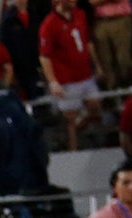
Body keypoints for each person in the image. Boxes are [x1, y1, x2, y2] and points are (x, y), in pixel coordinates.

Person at [39, 0, 103, 151]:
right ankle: (73, 150)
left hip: (86, 75)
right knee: (71, 121)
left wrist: (97, 65)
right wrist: (53, 82)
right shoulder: (49, 24)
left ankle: (97, 142)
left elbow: (87, 41)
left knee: (96, 108)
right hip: (67, 80)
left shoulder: (80, 15)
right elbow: (44, 56)